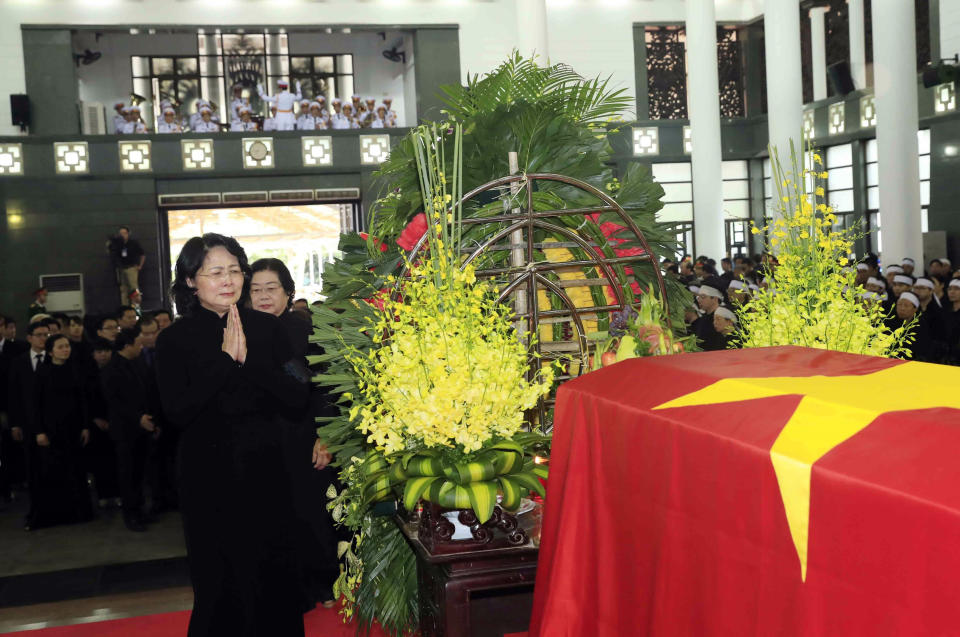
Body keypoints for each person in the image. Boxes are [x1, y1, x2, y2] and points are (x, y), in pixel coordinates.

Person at [156, 233, 309, 637]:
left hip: (267, 469)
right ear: (191, 280)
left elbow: (298, 395)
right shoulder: (173, 339)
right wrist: (225, 361)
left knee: (275, 572)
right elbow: (177, 411)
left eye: (235, 270)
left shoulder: (269, 328)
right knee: (219, 578)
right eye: (216, 272)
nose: (229, 280)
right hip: (208, 475)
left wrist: (250, 361)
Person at [249, 258, 338, 609]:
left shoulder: (306, 331)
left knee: (310, 513)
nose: (263, 296)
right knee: (269, 518)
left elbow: (326, 388)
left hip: (304, 437)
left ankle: (324, 582)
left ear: (288, 292)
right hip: (258, 441)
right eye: (255, 290)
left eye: (271, 288)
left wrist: (327, 434)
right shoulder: (240, 331)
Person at [28, 334, 94, 530]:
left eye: (67, 346)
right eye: (60, 347)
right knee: (54, 471)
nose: (66, 349)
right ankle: (57, 514)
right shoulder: (42, 372)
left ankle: (79, 513)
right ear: (50, 351)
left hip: (73, 428)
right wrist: (39, 431)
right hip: (52, 429)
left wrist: (85, 426)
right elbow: (35, 405)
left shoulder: (75, 369)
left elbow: (82, 401)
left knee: (77, 470)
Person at [101, 328, 155, 532]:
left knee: (140, 473)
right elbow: (115, 402)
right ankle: (130, 515)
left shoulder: (138, 363)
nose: (141, 347)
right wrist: (137, 417)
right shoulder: (111, 369)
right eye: (138, 344)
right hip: (125, 430)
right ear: (127, 345)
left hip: (144, 427)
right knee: (128, 474)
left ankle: (140, 510)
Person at [109, 226, 146, 305]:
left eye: (124, 233)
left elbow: (142, 254)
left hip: (132, 268)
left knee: (134, 289)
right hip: (121, 268)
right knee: (123, 290)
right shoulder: (118, 245)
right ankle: (125, 308)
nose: (122, 235)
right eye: (120, 233)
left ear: (128, 234)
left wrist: (140, 266)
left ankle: (136, 308)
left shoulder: (133, 243)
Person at [691, 285, 726, 351]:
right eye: (698, 297)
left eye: (703, 297)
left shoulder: (722, 318)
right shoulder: (703, 318)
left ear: (715, 299)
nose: (699, 300)